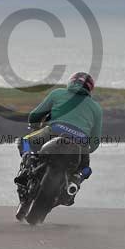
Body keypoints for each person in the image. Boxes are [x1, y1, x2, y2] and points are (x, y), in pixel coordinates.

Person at [15, 72, 102, 216]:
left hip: (54, 131)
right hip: (81, 142)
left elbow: (34, 115)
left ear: (71, 82)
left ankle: (28, 163)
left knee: (24, 141)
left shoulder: (58, 94)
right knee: (86, 169)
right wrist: (87, 148)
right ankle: (75, 181)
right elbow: (95, 142)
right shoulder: (96, 108)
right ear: (90, 88)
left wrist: (34, 123)